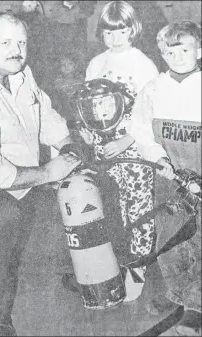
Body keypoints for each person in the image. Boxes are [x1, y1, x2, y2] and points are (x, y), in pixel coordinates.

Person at [0, 10, 83, 337]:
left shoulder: (19, 71)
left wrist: (69, 147)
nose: (16, 49)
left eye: (21, 42)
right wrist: (48, 171)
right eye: (5, 42)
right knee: (2, 221)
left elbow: (45, 115)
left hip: (8, 182)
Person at [77, 0, 159, 298]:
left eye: (121, 31)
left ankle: (137, 272)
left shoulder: (143, 64)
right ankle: (109, 265)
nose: (115, 38)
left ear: (132, 30)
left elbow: (151, 112)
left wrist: (127, 141)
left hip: (133, 147)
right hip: (102, 147)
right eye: (109, 32)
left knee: (138, 208)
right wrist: (87, 136)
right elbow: (88, 104)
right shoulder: (97, 63)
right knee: (110, 206)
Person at [125, 20, 201, 335]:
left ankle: (196, 306)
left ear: (199, 49)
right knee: (170, 241)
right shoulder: (154, 88)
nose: (178, 56)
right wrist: (158, 157)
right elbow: (139, 129)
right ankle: (177, 293)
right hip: (169, 181)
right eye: (170, 51)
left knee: (197, 241)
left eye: (184, 48)